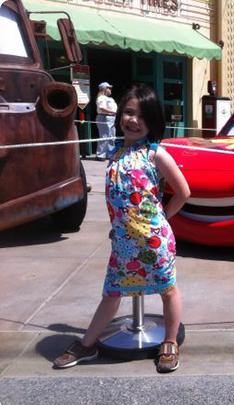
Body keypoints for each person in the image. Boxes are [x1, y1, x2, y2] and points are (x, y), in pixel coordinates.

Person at [53, 84, 191, 373]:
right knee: (112, 293)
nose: (133, 120)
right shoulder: (114, 154)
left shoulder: (156, 154)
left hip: (155, 242)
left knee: (167, 290)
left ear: (153, 122)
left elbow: (183, 191)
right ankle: (87, 343)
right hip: (123, 243)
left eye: (143, 116)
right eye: (129, 112)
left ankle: (169, 342)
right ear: (119, 116)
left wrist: (163, 218)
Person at [95, 82, 117, 160]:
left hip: (111, 118)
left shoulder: (109, 98)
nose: (110, 90)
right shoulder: (101, 98)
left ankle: (110, 154)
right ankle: (100, 155)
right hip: (104, 117)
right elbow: (102, 108)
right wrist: (112, 112)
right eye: (109, 88)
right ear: (104, 89)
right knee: (104, 136)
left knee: (111, 137)